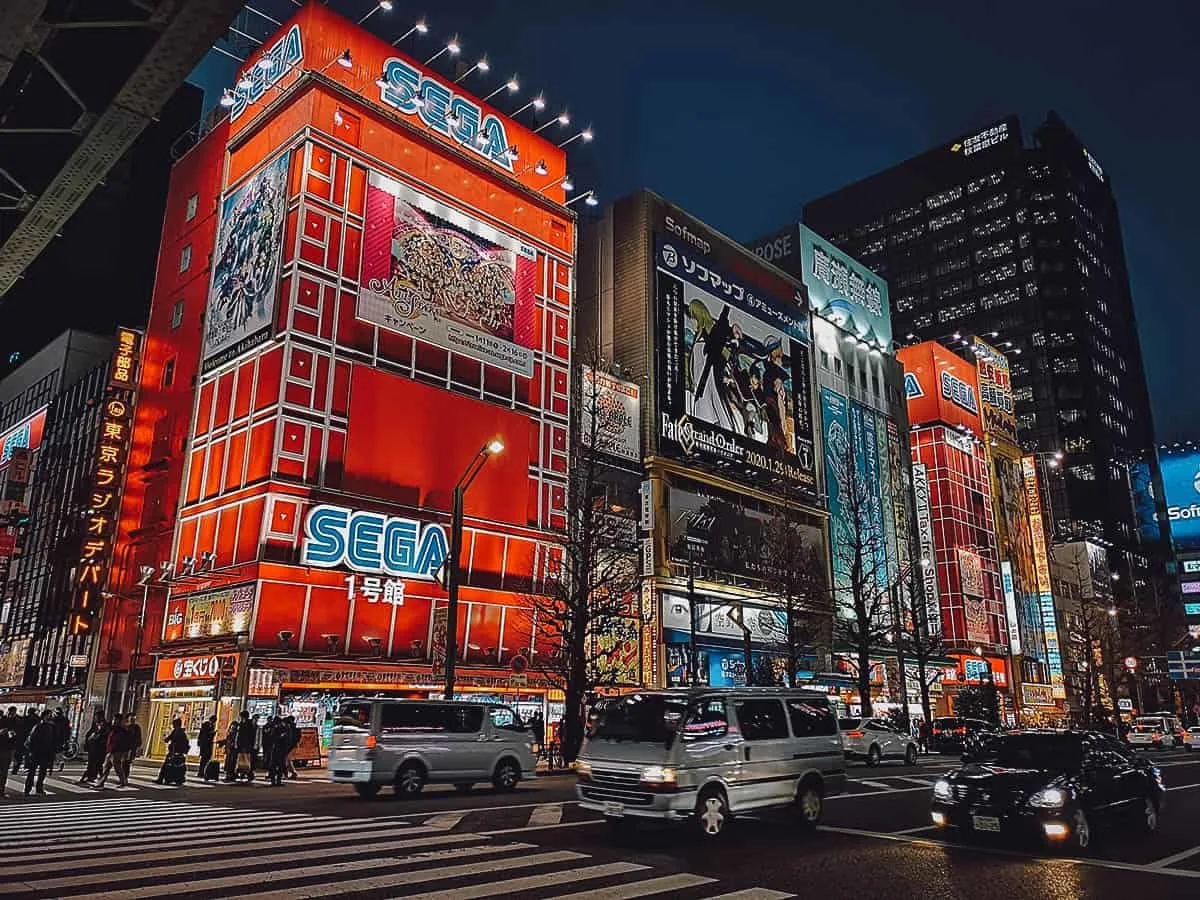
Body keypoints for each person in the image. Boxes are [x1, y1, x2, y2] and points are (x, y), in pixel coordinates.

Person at [23, 710, 57, 796]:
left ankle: (36, 789)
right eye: (49, 715)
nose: (50, 717)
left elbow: (53, 740)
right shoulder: (40, 726)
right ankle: (29, 789)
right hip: (38, 751)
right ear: (44, 716)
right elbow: (31, 739)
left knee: (40, 772)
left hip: (43, 752)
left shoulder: (50, 727)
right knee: (34, 771)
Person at [95, 714, 132, 789]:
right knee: (106, 767)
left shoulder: (122, 730)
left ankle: (123, 781)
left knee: (117, 767)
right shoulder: (112, 729)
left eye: (116, 720)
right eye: (114, 719)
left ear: (120, 721)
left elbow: (124, 742)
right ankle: (101, 783)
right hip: (110, 751)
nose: (114, 721)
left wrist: (126, 752)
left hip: (116, 752)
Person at [156, 719, 191, 784]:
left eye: (174, 724)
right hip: (175, 751)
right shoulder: (178, 732)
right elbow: (169, 738)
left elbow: (171, 739)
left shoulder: (179, 732)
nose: (173, 725)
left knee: (169, 765)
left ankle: (165, 778)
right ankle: (168, 778)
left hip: (176, 751)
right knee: (172, 765)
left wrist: (167, 740)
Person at [80, 713, 109, 785]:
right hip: (92, 748)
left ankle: (98, 778)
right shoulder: (95, 725)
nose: (96, 719)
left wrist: (97, 736)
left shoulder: (106, 726)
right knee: (92, 764)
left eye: (97, 717)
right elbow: (89, 734)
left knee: (97, 764)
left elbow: (105, 737)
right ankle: (91, 777)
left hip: (100, 749)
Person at [11, 707, 38, 775]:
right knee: (27, 754)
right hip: (30, 740)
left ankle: (15, 768)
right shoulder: (36, 720)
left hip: (21, 739)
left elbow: (18, 728)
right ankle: (27, 767)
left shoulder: (24, 719)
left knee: (19, 755)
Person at [0, 706, 19, 799]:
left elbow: (15, 736)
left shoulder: (12, 722)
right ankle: (1, 791)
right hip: (6, 750)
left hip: (7, 749)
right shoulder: (6, 721)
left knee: (4, 772)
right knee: (3, 772)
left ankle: (1, 791)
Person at [234, 711, 256, 782]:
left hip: (246, 745)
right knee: (243, 759)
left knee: (246, 760)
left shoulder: (248, 724)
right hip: (243, 745)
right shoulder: (243, 723)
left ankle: (248, 774)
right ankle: (243, 773)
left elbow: (247, 736)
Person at [123, 715, 143, 785]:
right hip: (125, 747)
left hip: (131, 748)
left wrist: (138, 747)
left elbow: (139, 738)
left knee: (127, 763)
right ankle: (123, 777)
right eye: (131, 719)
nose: (132, 721)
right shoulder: (125, 727)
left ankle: (125, 777)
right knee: (124, 763)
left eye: (133, 719)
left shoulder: (137, 728)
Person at [219, 718, 240, 783]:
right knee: (229, 763)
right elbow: (227, 741)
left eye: (233, 727)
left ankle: (230, 776)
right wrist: (222, 743)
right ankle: (229, 775)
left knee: (231, 763)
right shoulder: (230, 734)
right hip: (229, 750)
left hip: (233, 750)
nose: (232, 728)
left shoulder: (236, 734)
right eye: (231, 727)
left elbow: (234, 742)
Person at [51, 708, 70, 772]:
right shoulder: (65, 720)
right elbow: (68, 730)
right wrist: (67, 739)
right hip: (62, 738)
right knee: (59, 751)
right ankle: (61, 761)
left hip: (54, 737)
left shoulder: (54, 720)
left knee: (54, 751)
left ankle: (55, 763)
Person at [197, 715, 216, 780]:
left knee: (207, 758)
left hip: (208, 744)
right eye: (213, 721)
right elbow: (203, 734)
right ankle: (201, 772)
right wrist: (211, 733)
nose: (214, 722)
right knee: (203, 759)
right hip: (205, 744)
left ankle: (204, 772)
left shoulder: (212, 726)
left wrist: (213, 734)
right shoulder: (206, 724)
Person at [282, 715, 300, 779]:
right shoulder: (294, 727)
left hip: (291, 746)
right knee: (288, 760)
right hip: (292, 746)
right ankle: (292, 773)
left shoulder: (290, 728)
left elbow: (291, 738)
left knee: (287, 760)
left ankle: (288, 773)